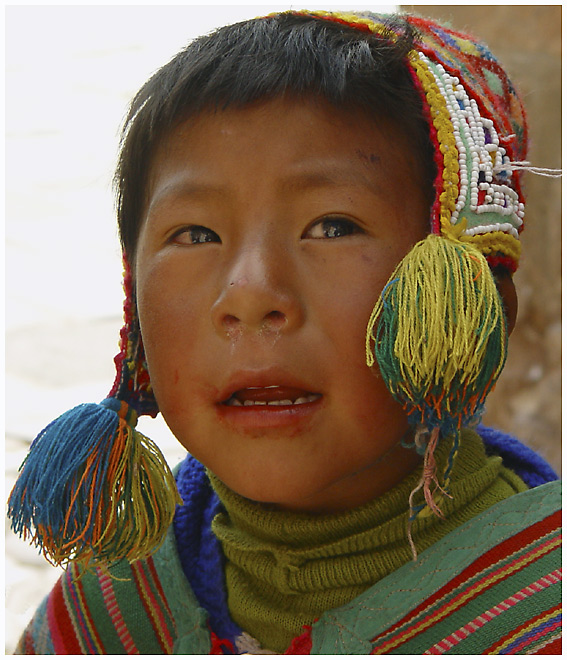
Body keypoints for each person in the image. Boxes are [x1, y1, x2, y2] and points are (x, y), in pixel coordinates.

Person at [8, 9, 561, 655]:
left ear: (481, 305)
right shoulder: (112, 611)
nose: (248, 294)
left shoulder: (540, 620)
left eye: (332, 226)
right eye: (196, 234)